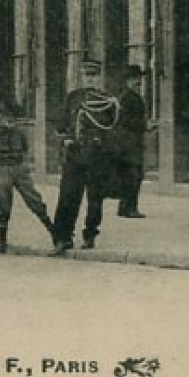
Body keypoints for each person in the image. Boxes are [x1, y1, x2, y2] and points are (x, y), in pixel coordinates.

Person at [50, 58, 121, 254]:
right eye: (87, 75)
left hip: (97, 158)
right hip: (75, 156)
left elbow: (112, 130)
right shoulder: (72, 98)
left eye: (94, 76)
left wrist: (105, 150)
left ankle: (90, 235)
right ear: (81, 76)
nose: (91, 80)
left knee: (95, 199)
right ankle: (63, 238)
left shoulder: (107, 101)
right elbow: (60, 125)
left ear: (99, 78)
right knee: (68, 197)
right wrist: (65, 140)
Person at [0, 114, 55, 253]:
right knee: (3, 202)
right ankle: (2, 243)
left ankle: (53, 232)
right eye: (6, 119)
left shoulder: (20, 133)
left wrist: (19, 161)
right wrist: (1, 160)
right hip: (3, 168)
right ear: (0, 118)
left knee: (34, 199)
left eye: (12, 119)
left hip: (20, 168)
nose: (9, 122)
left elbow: (25, 148)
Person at [112, 65, 150, 219]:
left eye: (138, 78)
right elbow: (125, 120)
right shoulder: (128, 98)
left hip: (128, 142)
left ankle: (124, 207)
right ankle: (130, 208)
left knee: (129, 174)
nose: (138, 81)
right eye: (134, 79)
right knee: (133, 174)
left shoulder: (127, 97)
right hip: (129, 142)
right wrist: (145, 126)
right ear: (127, 81)